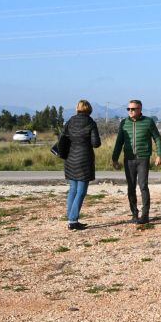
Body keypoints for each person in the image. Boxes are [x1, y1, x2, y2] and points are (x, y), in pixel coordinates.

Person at [111, 99, 161, 224]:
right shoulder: (124, 123)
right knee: (131, 187)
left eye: (133, 109)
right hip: (128, 159)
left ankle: (145, 215)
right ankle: (134, 214)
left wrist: (159, 155)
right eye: (128, 109)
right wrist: (114, 158)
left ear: (140, 109)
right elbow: (119, 142)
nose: (130, 111)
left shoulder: (148, 122)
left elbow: (157, 138)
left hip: (143, 158)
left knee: (143, 186)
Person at [62, 99, 101, 230]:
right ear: (89, 109)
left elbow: (63, 138)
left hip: (70, 159)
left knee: (73, 190)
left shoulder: (70, 121)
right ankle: (73, 221)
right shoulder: (90, 123)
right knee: (81, 191)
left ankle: (70, 217)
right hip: (84, 160)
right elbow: (96, 143)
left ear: (77, 108)